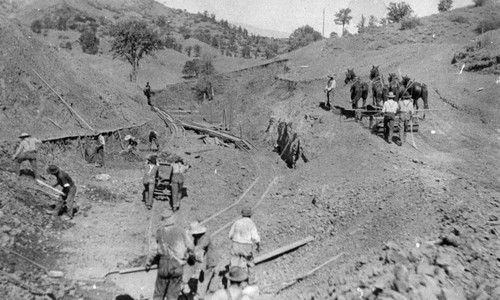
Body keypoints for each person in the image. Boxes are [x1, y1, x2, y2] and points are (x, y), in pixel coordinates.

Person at [146, 213, 194, 300]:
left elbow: (153, 250)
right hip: (177, 265)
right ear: (173, 219)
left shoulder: (159, 232)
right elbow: (191, 246)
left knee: (158, 294)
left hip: (163, 265)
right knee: (172, 295)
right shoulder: (181, 231)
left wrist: (148, 263)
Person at [228, 208, 260, 285]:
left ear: (242, 214)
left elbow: (229, 236)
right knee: (250, 264)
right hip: (246, 246)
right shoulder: (251, 223)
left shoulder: (237, 222)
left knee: (233, 264)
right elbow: (255, 238)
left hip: (235, 245)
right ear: (250, 215)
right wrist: (258, 246)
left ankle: (231, 283)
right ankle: (250, 283)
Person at [187, 221, 216, 299]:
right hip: (205, 259)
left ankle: (200, 296)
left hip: (210, 260)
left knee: (204, 279)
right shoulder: (198, 236)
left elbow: (198, 248)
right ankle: (207, 293)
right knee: (205, 277)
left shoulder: (204, 237)